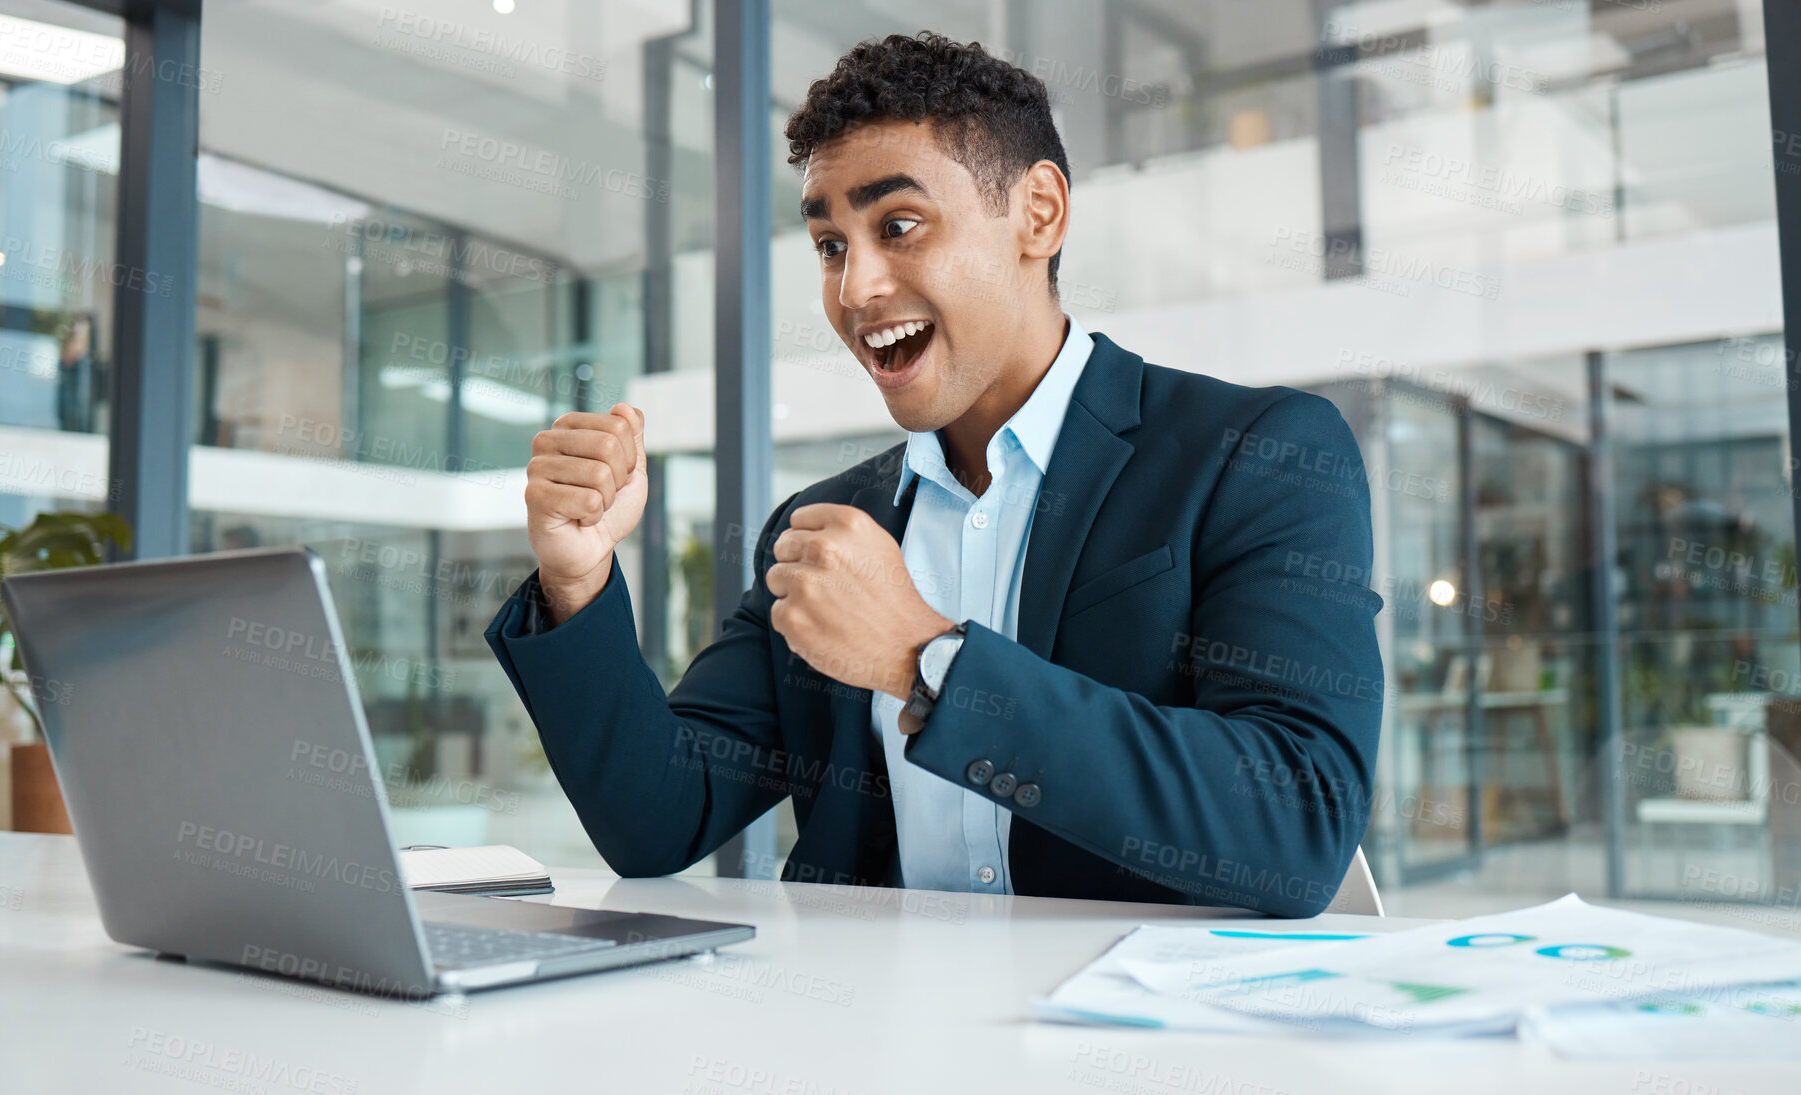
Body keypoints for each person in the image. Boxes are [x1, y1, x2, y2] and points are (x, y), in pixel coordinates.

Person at [486, 31, 1384, 917]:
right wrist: (578, 578)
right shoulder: (825, 523)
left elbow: (1300, 818)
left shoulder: (1257, 454)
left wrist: (925, 662)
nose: (854, 289)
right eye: (831, 244)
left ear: (1039, 213)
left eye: (899, 226)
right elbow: (660, 817)